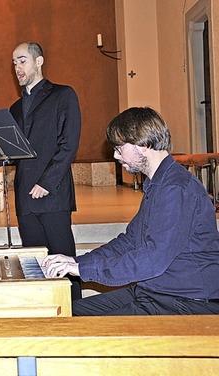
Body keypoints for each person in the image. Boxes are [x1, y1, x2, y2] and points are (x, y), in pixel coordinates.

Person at [43, 107, 219, 315]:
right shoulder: (159, 184)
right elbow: (130, 241)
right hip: (154, 290)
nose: (116, 156)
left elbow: (152, 259)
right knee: (66, 314)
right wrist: (77, 262)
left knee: (80, 332)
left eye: (119, 148)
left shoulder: (176, 189)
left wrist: (83, 270)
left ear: (143, 144)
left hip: (186, 301)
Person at [10, 42, 82, 299]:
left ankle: (76, 314)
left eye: (22, 60)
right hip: (25, 198)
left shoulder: (63, 95)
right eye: (15, 63)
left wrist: (47, 183)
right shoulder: (15, 108)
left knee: (63, 263)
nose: (17, 67)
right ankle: (42, 312)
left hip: (53, 194)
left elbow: (69, 143)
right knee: (35, 266)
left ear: (39, 61)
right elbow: (14, 151)